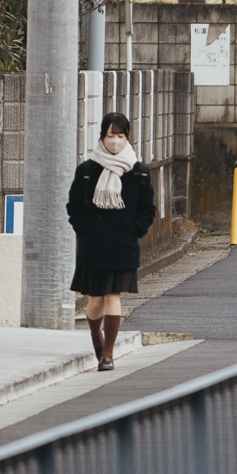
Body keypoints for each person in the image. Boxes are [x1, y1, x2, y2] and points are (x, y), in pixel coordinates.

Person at [67, 112, 157, 371]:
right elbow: (74, 207)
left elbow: (147, 208)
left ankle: (107, 354)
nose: (115, 141)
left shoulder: (138, 171)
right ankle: (96, 336)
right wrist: (84, 231)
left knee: (112, 295)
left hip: (123, 245)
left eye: (120, 136)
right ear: (102, 137)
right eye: (110, 136)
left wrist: (135, 229)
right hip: (93, 245)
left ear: (127, 137)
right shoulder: (87, 170)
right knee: (95, 300)